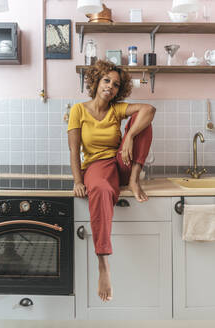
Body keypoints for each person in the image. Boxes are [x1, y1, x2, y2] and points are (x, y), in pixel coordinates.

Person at [68, 60, 155, 303]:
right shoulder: (78, 110)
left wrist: (129, 139)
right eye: (107, 81)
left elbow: (149, 109)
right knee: (101, 188)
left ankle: (135, 180)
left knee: (143, 120)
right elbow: (74, 151)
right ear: (96, 81)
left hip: (122, 163)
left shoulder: (116, 110)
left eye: (116, 85)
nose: (111, 87)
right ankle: (103, 264)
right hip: (97, 166)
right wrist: (77, 180)